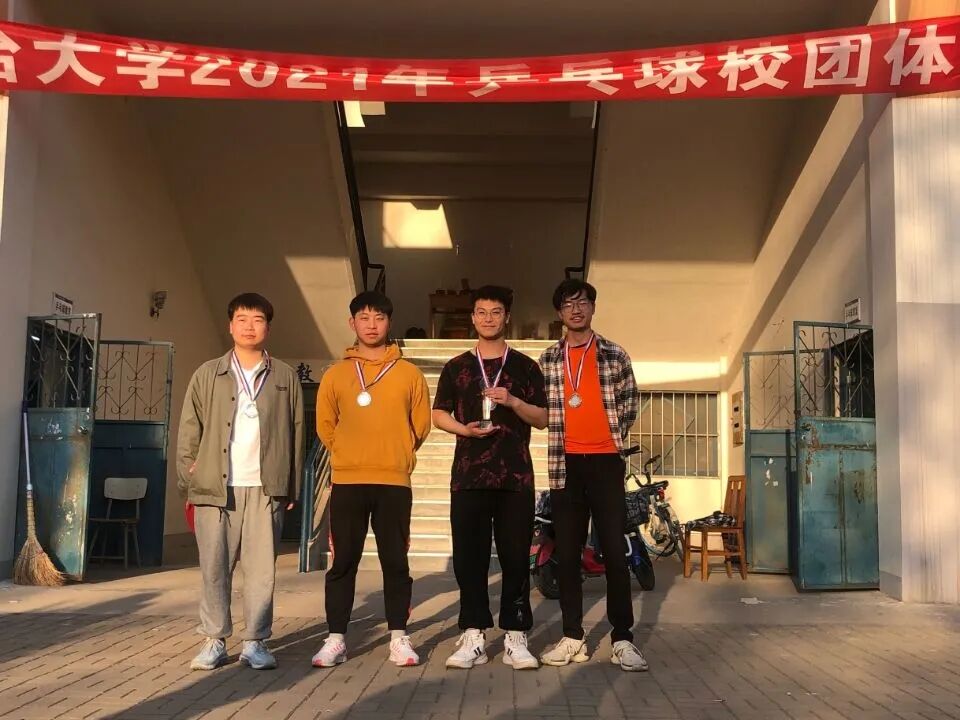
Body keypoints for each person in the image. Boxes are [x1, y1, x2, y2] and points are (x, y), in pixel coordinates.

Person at [176, 292, 304, 671]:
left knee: (261, 571)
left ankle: (255, 642)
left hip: (265, 487)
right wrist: (189, 477)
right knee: (214, 567)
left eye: (258, 319)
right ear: (230, 326)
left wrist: (292, 485)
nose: (250, 326)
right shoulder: (207, 373)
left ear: (268, 327)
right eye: (243, 319)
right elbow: (188, 429)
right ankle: (214, 639)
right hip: (215, 487)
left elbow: (297, 431)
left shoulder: (284, 376)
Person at [312, 291, 432, 668]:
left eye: (379, 317)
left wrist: (396, 452)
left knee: (395, 561)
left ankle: (399, 637)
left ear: (389, 322)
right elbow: (325, 425)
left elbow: (421, 425)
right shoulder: (336, 375)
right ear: (352, 323)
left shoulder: (409, 374)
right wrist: (348, 453)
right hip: (348, 480)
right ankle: (335, 639)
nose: (371, 324)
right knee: (343, 561)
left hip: (393, 482)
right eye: (363, 318)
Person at [432, 286, 547, 671]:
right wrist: (464, 430)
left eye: (495, 312)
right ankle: (474, 633)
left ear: (506, 317)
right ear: (472, 318)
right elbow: (438, 414)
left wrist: (513, 401)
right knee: (470, 559)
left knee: (515, 557)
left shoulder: (525, 367)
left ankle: (516, 634)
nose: (488, 318)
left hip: (515, 477)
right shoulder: (456, 367)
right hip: (469, 476)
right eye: (481, 312)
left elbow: (543, 418)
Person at [537, 279, 647, 672]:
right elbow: (541, 408)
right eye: (568, 304)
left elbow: (630, 401)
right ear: (559, 312)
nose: (576, 309)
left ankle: (623, 639)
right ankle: (572, 637)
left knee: (615, 553)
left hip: (605, 462)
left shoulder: (614, 353)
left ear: (593, 307)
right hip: (565, 462)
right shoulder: (549, 359)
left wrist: (609, 435)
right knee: (567, 554)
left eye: (582, 302)